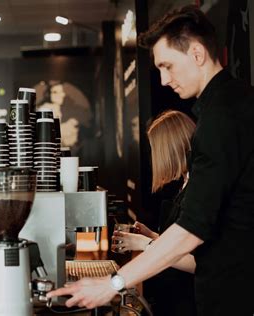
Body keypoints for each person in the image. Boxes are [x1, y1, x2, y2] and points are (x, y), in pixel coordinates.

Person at [48, 5, 254, 316]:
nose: (163, 80)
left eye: (167, 65)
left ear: (197, 54)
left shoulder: (222, 117)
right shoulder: (231, 105)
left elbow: (192, 229)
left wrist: (112, 284)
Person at [112, 110, 196, 316]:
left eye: (155, 149)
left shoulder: (199, 191)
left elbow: (198, 262)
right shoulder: (185, 184)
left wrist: (144, 244)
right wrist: (151, 236)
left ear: (170, 149)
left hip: (189, 303)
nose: (154, 157)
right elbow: (182, 243)